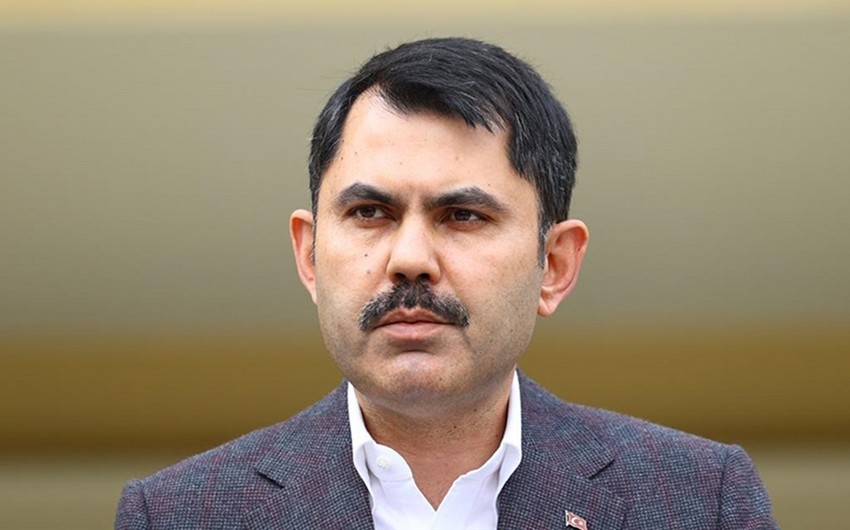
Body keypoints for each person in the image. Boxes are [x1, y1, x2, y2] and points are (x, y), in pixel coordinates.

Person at [115, 37, 777, 529]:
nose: (410, 259)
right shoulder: (178, 514)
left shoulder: (700, 500)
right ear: (310, 255)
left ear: (554, 265)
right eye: (369, 213)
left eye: (462, 215)